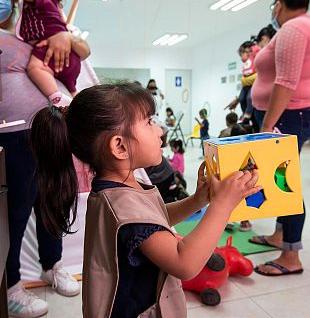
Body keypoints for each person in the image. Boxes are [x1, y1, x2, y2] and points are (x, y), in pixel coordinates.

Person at [30, 82, 261, 318]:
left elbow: (155, 219)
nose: (160, 130)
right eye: (149, 122)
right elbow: (185, 263)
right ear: (119, 146)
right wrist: (223, 204)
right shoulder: (122, 205)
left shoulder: (116, 188)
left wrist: (197, 200)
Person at [0, 5, 90, 317]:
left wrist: (66, 35)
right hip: (15, 137)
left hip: (55, 132)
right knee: (14, 213)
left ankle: (52, 266)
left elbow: (82, 52)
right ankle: (10, 286)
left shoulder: (39, 36)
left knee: (55, 200)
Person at [250, 0, 310, 276]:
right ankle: (281, 236)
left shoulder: (294, 28)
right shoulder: (296, 27)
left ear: (279, 4)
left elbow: (286, 82)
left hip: (289, 115)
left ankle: (291, 256)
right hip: (288, 115)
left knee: (285, 182)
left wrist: (267, 126)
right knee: (280, 180)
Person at [17, 0, 83, 106]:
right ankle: (81, 105)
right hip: (71, 56)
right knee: (71, 89)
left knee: (35, 68)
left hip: (51, 47)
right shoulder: (54, 5)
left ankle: (57, 99)